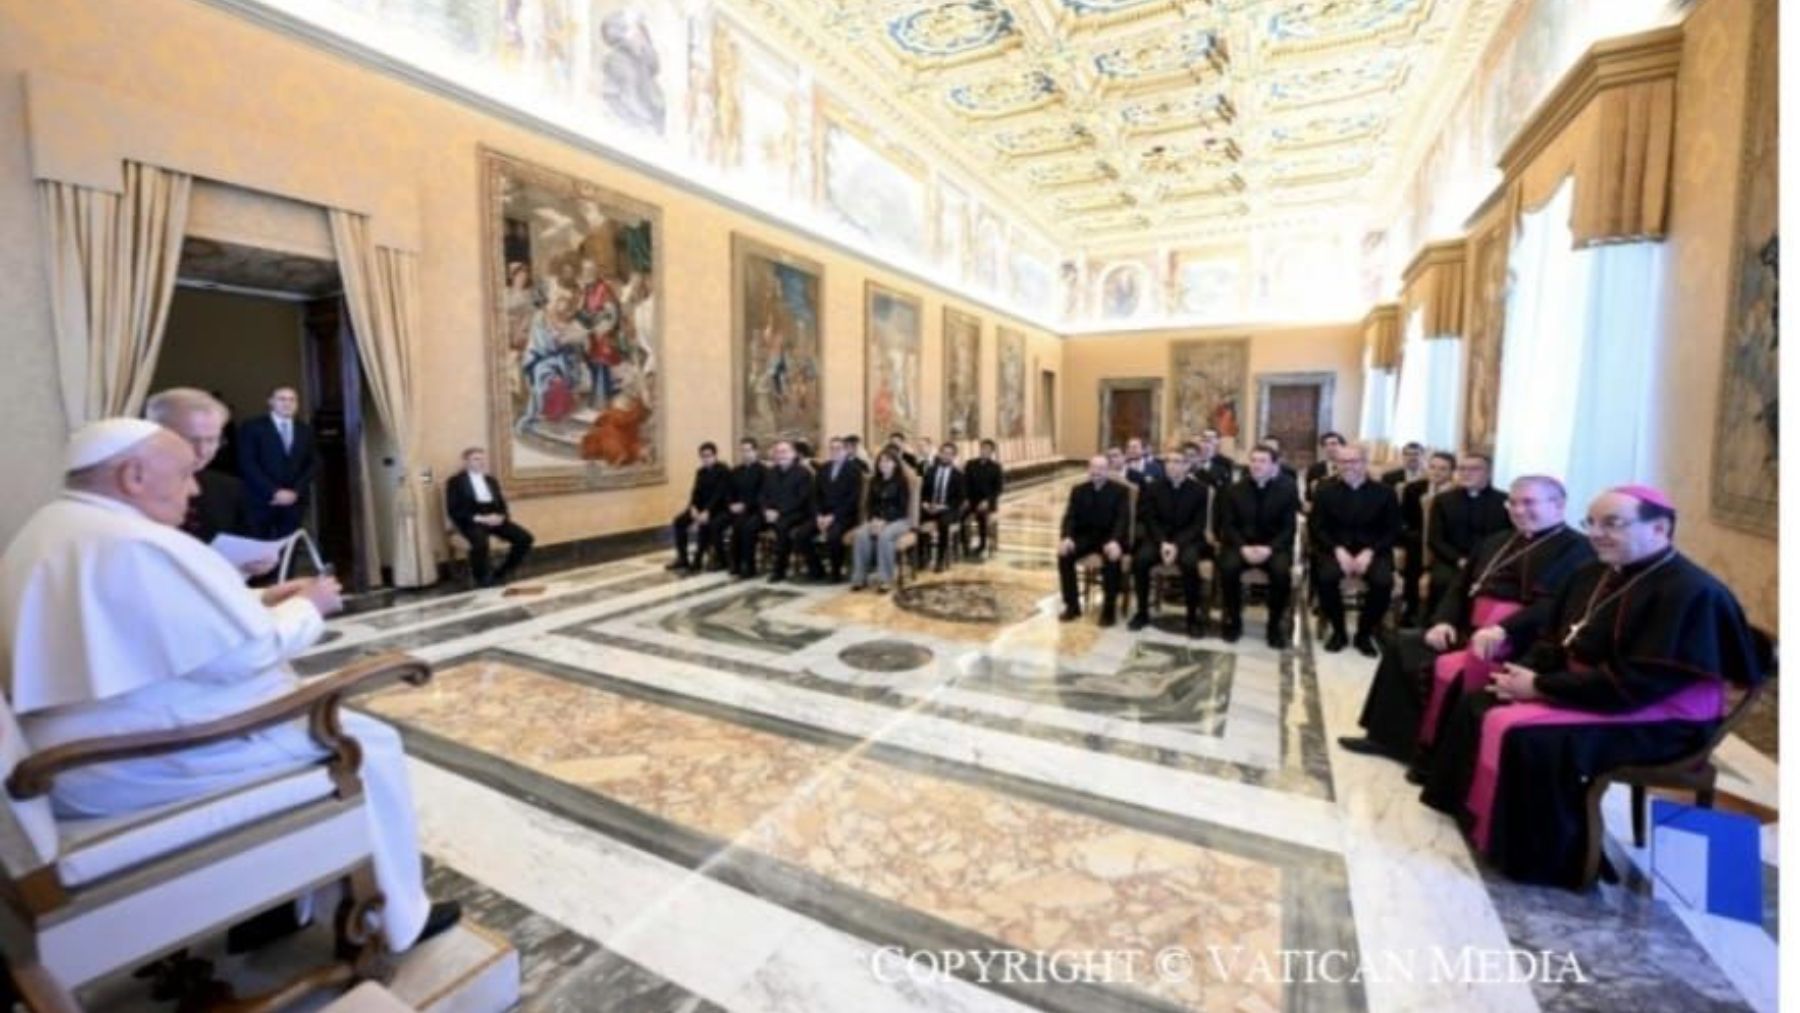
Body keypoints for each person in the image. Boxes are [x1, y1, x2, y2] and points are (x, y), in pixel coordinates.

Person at [0, 419, 459, 952]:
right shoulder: (133, 542)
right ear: (133, 475)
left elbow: (157, 633)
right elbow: (245, 655)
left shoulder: (51, 529)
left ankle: (280, 906)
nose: (195, 489)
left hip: (82, 750)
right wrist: (307, 609)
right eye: (187, 474)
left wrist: (263, 600)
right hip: (147, 755)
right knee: (369, 742)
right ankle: (396, 920)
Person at [1421, 486, 1765, 889]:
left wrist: (1543, 688)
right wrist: (1523, 674)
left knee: (1532, 740)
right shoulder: (1594, 574)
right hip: (1598, 691)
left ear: (1659, 528)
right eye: (1593, 523)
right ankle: (1480, 822)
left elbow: (1643, 683)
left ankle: (1549, 860)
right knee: (1481, 701)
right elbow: (1555, 641)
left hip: (1659, 719)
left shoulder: (1691, 593)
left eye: (1612, 524)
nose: (1597, 533)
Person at [1340, 475, 1593, 767]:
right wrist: (1443, 621)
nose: (1519, 510)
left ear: (1558, 505)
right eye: (1513, 502)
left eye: (1529, 502)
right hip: (1466, 630)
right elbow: (1460, 587)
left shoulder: (1578, 550)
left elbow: (1553, 605)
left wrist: (1504, 629)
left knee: (1451, 670)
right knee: (1402, 644)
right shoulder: (1496, 541)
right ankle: (1388, 738)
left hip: (1519, 642)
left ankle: (1435, 754)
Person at [1309, 443, 1400, 656]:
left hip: (1374, 551)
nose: (1348, 466)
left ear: (1364, 463)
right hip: (1335, 550)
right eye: (1342, 461)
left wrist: (1370, 551)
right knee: (1325, 578)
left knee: (1383, 582)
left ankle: (1364, 633)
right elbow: (1317, 527)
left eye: (1353, 461)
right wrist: (1337, 550)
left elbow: (1393, 530)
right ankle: (1339, 631)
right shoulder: (1324, 491)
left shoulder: (1385, 493)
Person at [145, 387, 257, 554]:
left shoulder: (229, 488)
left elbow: (249, 547)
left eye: (212, 440)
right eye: (191, 439)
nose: (203, 451)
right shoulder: (129, 489)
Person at [1216, 446, 1300, 648]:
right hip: (1241, 546)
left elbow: (1289, 528)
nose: (1256, 465)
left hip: (1274, 547)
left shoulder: (1287, 489)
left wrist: (1269, 548)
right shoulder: (1235, 489)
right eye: (1253, 460)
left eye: (1262, 461)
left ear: (1273, 465)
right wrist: (1243, 547)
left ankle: (1274, 626)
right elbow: (1228, 525)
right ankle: (1234, 621)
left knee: (1281, 573)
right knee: (1228, 568)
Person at [1128, 451, 1211, 636]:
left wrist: (1176, 545)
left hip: (1188, 541)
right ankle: (1142, 613)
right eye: (1169, 461)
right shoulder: (1152, 487)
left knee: (1190, 563)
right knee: (1140, 560)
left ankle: (1192, 617)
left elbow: (1198, 525)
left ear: (1187, 466)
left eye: (1178, 461)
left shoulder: (1200, 490)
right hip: (1158, 539)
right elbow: (1149, 518)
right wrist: (1163, 542)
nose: (1172, 465)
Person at [1426, 454, 1511, 616]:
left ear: (1488, 472)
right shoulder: (1443, 500)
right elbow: (1435, 540)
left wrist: (1487, 562)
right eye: (1462, 469)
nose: (1466, 473)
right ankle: (1437, 626)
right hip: (1453, 561)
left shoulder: (1505, 501)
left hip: (1492, 562)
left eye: (1474, 469)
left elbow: (1509, 537)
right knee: (1442, 581)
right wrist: (1459, 560)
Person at [445, 448, 535, 587]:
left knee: (525, 538)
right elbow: (454, 509)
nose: (481, 462)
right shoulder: (455, 481)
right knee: (480, 542)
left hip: (494, 518)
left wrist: (501, 517)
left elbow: (501, 503)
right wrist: (480, 518)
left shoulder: (491, 480)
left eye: (482, 459)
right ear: (466, 462)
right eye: (476, 459)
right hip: (472, 520)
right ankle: (482, 577)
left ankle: (503, 571)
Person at [237, 386, 317, 538]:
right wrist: (275, 492)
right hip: (261, 500)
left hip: (294, 502)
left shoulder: (305, 430)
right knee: (260, 553)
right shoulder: (253, 427)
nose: (287, 403)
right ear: (271, 402)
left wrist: (296, 491)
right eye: (282, 399)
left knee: (289, 549)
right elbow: (247, 463)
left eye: (292, 399)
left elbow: (314, 463)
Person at [1056, 457, 1129, 626]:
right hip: (1085, 537)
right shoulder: (1078, 490)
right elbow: (1070, 517)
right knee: (1064, 556)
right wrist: (1066, 537)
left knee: (1112, 560)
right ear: (1088, 469)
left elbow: (1122, 519)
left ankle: (1108, 609)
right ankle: (1072, 605)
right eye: (1093, 467)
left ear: (1108, 470)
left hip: (1109, 538)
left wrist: (1116, 541)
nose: (1096, 472)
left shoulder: (1120, 491)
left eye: (1101, 468)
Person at [1399, 451, 1456, 625]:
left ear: (1452, 472)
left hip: (1446, 543)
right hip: (1417, 540)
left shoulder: (1457, 493)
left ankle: (1438, 613)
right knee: (1414, 552)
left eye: (1442, 469)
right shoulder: (1413, 489)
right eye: (1432, 467)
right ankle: (1411, 607)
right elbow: (1403, 521)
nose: (1436, 472)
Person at [850, 449, 911, 593]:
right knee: (860, 534)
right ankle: (860, 577)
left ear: (895, 464)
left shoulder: (902, 481)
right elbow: (869, 505)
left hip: (898, 521)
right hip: (876, 520)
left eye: (888, 461)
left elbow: (902, 508)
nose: (883, 464)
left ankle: (885, 580)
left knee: (885, 536)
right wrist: (873, 520)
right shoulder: (874, 481)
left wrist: (884, 521)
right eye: (881, 461)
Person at [803, 437, 862, 582]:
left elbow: (853, 499)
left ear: (845, 450)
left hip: (844, 515)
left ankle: (836, 573)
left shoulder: (854, 470)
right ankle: (817, 569)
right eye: (832, 448)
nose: (834, 451)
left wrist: (833, 516)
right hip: (822, 515)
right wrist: (818, 515)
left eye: (838, 448)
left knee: (833, 536)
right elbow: (815, 496)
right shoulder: (823, 469)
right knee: (801, 535)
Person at [757, 441, 815, 583]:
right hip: (772, 513)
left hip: (797, 513)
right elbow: (762, 495)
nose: (781, 455)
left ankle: (779, 570)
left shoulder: (803, 473)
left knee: (782, 526)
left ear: (793, 454)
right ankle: (745, 565)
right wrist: (766, 510)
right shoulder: (771, 472)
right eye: (778, 452)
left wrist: (779, 512)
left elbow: (801, 499)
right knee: (749, 523)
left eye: (785, 451)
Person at [669, 442, 731, 573]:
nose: (705, 459)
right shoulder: (700, 472)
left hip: (718, 509)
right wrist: (692, 507)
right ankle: (683, 558)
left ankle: (699, 559)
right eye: (703, 456)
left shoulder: (723, 471)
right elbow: (695, 492)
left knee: (707, 524)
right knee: (679, 522)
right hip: (700, 508)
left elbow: (719, 494)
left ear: (715, 455)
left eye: (708, 456)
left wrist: (707, 511)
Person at [918, 442, 966, 573]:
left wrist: (942, 506)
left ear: (954, 456)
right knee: (915, 518)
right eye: (944, 453)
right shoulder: (931, 471)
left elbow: (959, 499)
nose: (946, 456)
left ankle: (940, 559)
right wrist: (925, 503)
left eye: (949, 454)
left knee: (943, 523)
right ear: (939, 454)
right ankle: (922, 556)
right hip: (930, 507)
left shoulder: (958, 475)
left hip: (948, 509)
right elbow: (924, 492)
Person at [726, 438, 767, 578]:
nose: (745, 454)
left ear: (756, 451)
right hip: (738, 511)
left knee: (747, 527)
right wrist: (731, 504)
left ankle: (749, 566)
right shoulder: (736, 470)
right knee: (737, 525)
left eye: (748, 450)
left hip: (757, 510)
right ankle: (735, 563)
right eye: (742, 451)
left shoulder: (763, 471)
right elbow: (729, 491)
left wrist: (745, 505)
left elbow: (762, 494)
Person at [962, 438, 1004, 559]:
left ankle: (982, 544)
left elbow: (999, 489)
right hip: (971, 500)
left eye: (987, 449)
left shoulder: (996, 467)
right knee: (961, 515)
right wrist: (965, 499)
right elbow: (965, 483)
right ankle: (965, 544)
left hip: (987, 502)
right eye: (982, 448)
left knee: (982, 517)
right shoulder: (970, 464)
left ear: (992, 452)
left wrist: (987, 501)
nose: (984, 451)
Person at [1303, 431, 1345, 504]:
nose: (1330, 448)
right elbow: (1309, 496)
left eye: (1334, 444)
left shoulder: (1349, 467)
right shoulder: (1314, 469)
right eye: (1325, 445)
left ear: (1343, 446)